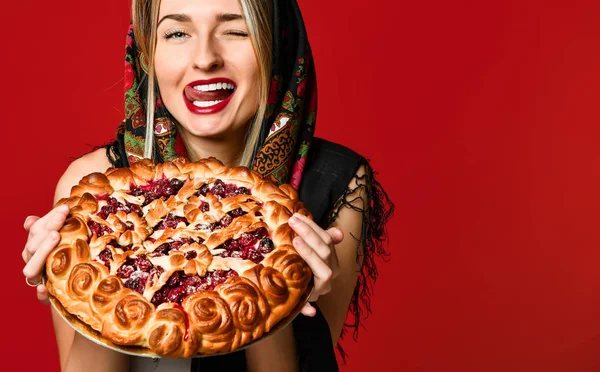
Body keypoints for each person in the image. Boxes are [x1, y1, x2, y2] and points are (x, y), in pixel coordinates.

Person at [21, 0, 394, 371]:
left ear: (275, 41)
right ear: (147, 50)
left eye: (235, 30)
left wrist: (284, 295)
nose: (204, 58)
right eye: (177, 32)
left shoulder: (336, 182)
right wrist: (87, 290)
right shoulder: (92, 194)